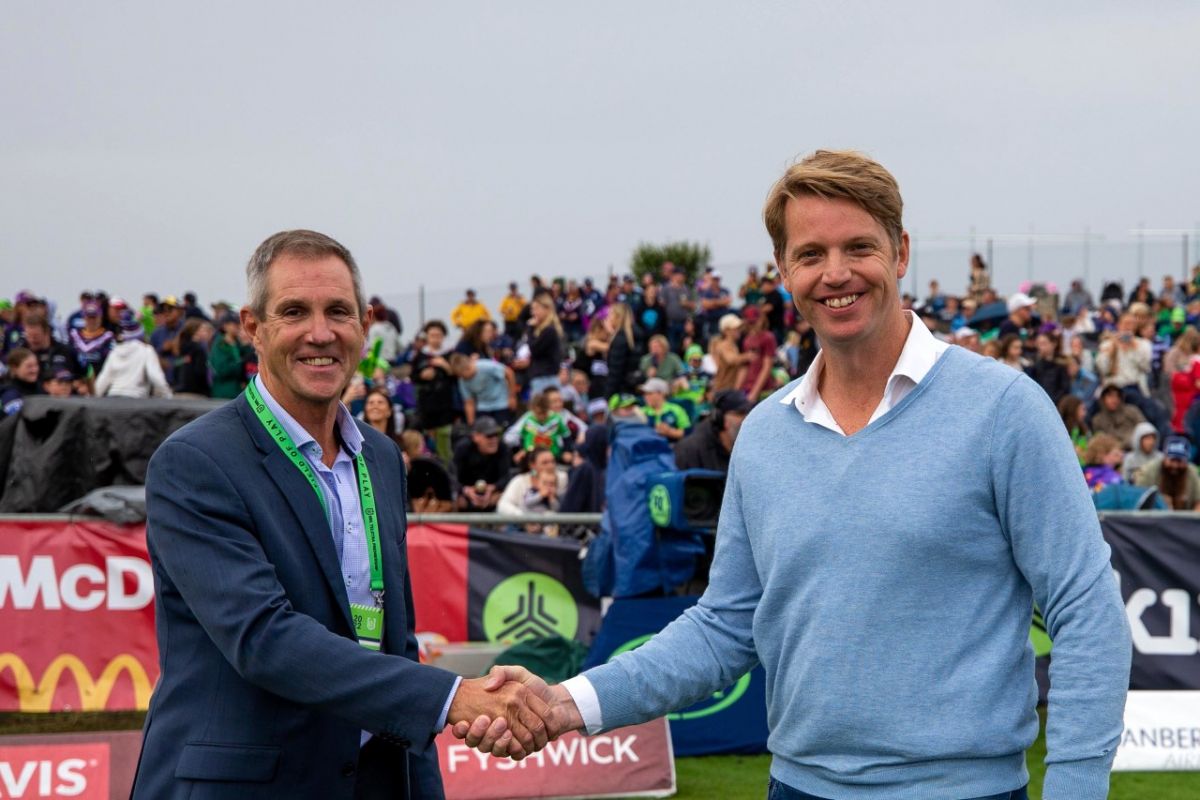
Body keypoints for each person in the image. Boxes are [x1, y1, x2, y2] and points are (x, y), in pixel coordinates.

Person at [462, 150, 1130, 800]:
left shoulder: (1003, 410)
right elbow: (725, 627)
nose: (835, 273)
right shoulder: (764, 435)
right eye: (810, 255)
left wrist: (1075, 785)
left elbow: (1087, 610)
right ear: (784, 271)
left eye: (858, 248)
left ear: (900, 253)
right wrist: (565, 702)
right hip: (796, 788)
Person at [130, 230, 550, 800]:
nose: (320, 333)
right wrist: (453, 698)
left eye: (338, 311)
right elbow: (263, 637)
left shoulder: (380, 458)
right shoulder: (195, 462)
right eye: (294, 311)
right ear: (254, 328)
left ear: (365, 322)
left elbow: (392, 640)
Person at [95, 312, 173, 399]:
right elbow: (156, 377)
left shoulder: (114, 352)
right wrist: (168, 397)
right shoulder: (146, 350)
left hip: (112, 399)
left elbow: (102, 380)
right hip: (136, 400)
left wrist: (93, 400)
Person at [673, 388, 752, 472]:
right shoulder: (690, 450)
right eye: (740, 413)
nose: (746, 419)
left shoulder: (749, 449)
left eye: (749, 413)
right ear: (719, 418)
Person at [411, 320, 456, 464]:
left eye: (439, 335)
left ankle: (446, 466)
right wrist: (423, 375)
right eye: (432, 335)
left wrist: (445, 366)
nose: (435, 338)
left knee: (444, 438)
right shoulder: (420, 355)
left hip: (444, 403)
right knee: (428, 437)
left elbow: (456, 377)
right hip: (426, 403)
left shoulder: (449, 354)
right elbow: (413, 376)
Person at [453, 416, 511, 512]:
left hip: (492, 494)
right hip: (466, 494)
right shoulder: (462, 448)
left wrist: (492, 488)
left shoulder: (503, 448)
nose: (494, 439)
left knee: (504, 497)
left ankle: (500, 525)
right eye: (489, 436)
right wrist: (466, 490)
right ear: (475, 437)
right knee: (455, 499)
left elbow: (506, 477)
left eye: (496, 435)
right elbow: (452, 477)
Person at [451, 352, 516, 427]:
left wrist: (512, 396)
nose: (463, 377)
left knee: (503, 428)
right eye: (460, 375)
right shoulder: (462, 380)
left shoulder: (486, 366)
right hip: (483, 406)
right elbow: (469, 402)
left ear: (468, 367)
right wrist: (471, 424)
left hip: (501, 403)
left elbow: (509, 373)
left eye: (463, 374)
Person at [1135, 435, 1200, 510]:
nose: (1175, 465)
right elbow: (1138, 497)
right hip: (1153, 517)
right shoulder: (1149, 470)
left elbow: (1199, 502)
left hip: (1185, 519)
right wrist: (1158, 501)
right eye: (1172, 460)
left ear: (1186, 461)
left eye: (1179, 461)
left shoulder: (1192, 472)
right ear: (1164, 457)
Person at [525, 293, 564, 397]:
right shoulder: (545, 330)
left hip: (545, 378)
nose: (533, 313)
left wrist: (530, 329)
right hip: (543, 377)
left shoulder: (549, 330)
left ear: (547, 309)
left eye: (536, 309)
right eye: (532, 309)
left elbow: (534, 348)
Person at [209, 312, 253, 399]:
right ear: (225, 326)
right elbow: (222, 370)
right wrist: (240, 363)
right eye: (235, 324)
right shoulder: (220, 344)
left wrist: (247, 346)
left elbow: (249, 359)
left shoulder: (238, 343)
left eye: (239, 324)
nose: (238, 326)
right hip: (224, 392)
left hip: (237, 392)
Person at [739, 305, 778, 400]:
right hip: (748, 387)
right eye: (750, 322)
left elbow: (767, 366)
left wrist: (754, 393)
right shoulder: (747, 340)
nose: (753, 325)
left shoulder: (768, 337)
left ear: (761, 319)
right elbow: (744, 367)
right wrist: (737, 389)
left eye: (754, 322)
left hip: (764, 389)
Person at [1090, 383, 1146, 447]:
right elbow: (1100, 440)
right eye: (1110, 396)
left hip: (1135, 446)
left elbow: (1144, 429)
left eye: (1117, 396)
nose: (1114, 399)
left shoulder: (1131, 411)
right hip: (1112, 451)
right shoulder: (1098, 420)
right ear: (1103, 399)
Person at [639, 377, 691, 442]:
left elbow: (687, 432)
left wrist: (670, 432)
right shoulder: (641, 411)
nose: (645, 397)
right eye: (644, 394)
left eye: (650, 393)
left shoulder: (676, 409)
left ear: (661, 394)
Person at [1, 347, 42, 415]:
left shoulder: (41, 388)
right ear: (14, 368)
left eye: (36, 365)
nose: (34, 370)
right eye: (29, 366)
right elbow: (17, 420)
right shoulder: (10, 394)